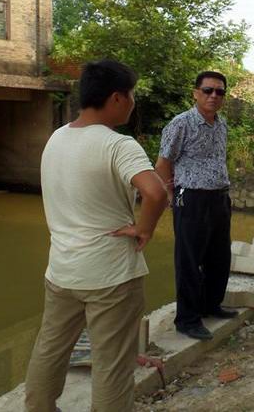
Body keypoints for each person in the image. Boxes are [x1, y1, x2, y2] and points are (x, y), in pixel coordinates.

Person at [25, 60, 167, 412]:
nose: (133, 102)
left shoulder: (57, 137)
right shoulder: (118, 145)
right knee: (112, 364)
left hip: (62, 271)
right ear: (117, 98)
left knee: (50, 349)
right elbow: (156, 192)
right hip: (110, 276)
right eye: (131, 95)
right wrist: (144, 229)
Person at [157, 71, 235, 341]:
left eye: (219, 92)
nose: (214, 96)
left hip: (219, 197)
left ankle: (210, 305)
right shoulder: (181, 124)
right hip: (190, 197)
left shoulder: (221, 124)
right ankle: (187, 319)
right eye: (208, 90)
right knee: (189, 259)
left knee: (219, 256)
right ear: (195, 93)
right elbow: (163, 163)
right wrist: (170, 194)